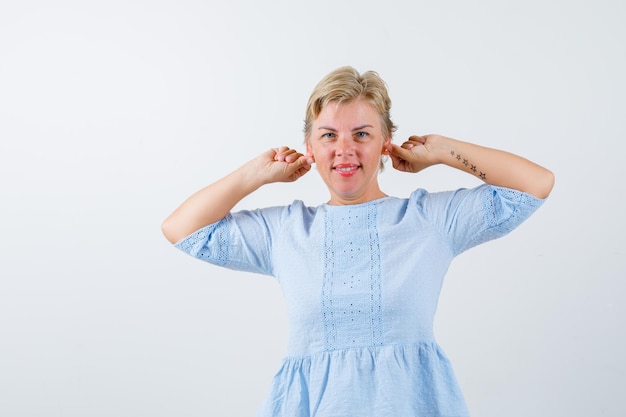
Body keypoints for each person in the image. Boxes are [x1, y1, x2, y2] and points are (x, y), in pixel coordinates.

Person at [161, 66, 555, 417]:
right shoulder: (287, 230)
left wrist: (442, 151)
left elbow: (534, 185)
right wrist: (255, 173)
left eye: (362, 134)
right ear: (310, 147)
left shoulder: (429, 220)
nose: (344, 149)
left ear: (385, 142)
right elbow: (182, 229)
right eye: (328, 135)